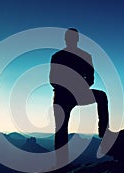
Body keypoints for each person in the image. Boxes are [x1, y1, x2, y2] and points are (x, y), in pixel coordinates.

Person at [50, 28, 109, 165]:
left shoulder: (67, 56)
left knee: (101, 96)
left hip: (73, 93)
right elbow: (53, 79)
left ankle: (103, 132)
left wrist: (78, 88)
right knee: (61, 130)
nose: (71, 40)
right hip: (63, 95)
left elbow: (91, 79)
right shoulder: (59, 56)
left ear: (75, 39)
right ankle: (61, 164)